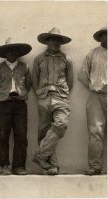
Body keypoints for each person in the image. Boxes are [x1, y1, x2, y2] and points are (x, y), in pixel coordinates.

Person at [32, 27, 73, 175]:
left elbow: (70, 81)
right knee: (45, 132)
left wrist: (62, 94)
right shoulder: (39, 59)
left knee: (61, 124)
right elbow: (34, 80)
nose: (56, 42)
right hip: (43, 97)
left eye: (58, 40)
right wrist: (39, 93)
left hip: (60, 97)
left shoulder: (66, 59)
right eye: (53, 39)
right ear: (47, 41)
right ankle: (51, 166)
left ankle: (40, 155)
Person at [0, 37, 32, 175]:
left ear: (18, 53)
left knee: (21, 135)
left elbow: (29, 84)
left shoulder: (25, 67)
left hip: (20, 104)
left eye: (15, 51)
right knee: (2, 134)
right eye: (9, 51)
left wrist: (21, 94)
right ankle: (4, 166)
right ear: (5, 53)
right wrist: (3, 94)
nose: (12, 53)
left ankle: (18, 166)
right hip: (3, 104)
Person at [78, 27, 107, 175]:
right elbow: (82, 75)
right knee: (96, 131)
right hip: (96, 96)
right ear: (101, 37)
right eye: (105, 35)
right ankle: (95, 167)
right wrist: (93, 86)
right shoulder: (93, 53)